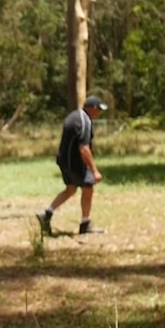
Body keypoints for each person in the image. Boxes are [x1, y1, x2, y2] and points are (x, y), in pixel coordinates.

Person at [37, 95, 108, 235]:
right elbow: (84, 148)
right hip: (75, 162)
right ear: (92, 108)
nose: (99, 113)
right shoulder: (85, 121)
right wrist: (94, 171)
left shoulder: (74, 116)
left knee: (70, 189)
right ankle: (85, 223)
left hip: (63, 161)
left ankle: (47, 214)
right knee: (88, 187)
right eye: (98, 110)